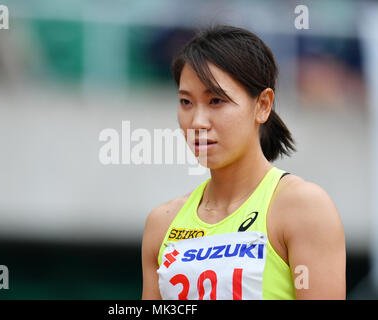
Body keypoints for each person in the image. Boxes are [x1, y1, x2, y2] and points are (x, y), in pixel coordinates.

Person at [141, 25, 345, 300]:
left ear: (262, 105)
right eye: (186, 102)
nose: (198, 122)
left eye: (215, 100)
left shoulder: (303, 208)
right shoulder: (161, 224)